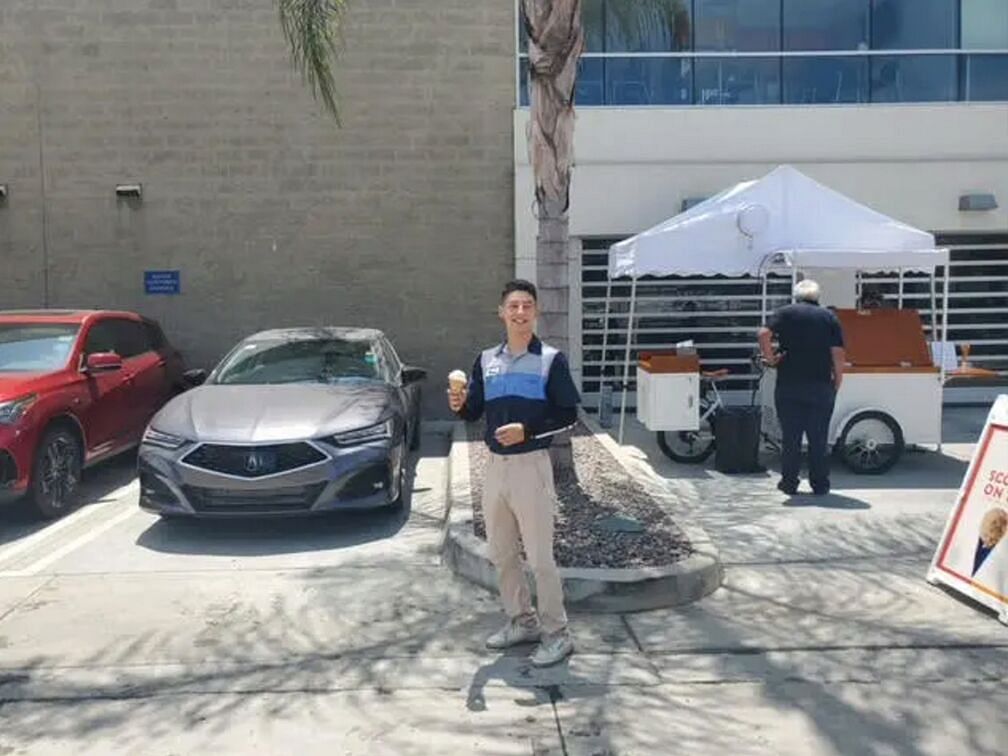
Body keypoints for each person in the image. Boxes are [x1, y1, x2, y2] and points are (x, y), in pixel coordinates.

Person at [448, 279, 580, 667]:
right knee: (502, 553)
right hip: (495, 469)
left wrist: (530, 431)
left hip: (531, 468)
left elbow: (568, 416)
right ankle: (522, 620)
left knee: (540, 558)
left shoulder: (550, 360)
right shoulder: (486, 360)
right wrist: (459, 402)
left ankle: (558, 634)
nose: (520, 312)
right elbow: (473, 411)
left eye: (527, 306)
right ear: (501, 312)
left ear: (535, 312)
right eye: (513, 306)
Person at [758, 279, 846, 496]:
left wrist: (770, 359)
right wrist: (838, 377)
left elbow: (763, 334)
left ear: (797, 296)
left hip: (789, 383)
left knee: (791, 437)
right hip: (820, 383)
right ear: (817, 297)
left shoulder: (785, 313)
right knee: (818, 437)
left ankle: (789, 483)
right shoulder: (828, 317)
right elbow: (837, 352)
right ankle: (820, 484)